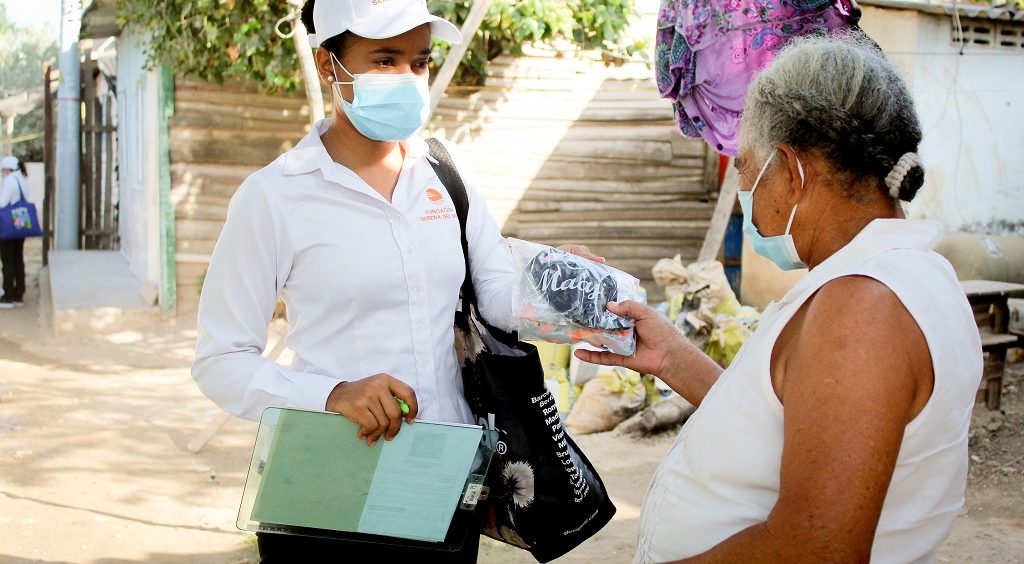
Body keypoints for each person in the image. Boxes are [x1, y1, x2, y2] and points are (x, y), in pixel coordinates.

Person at [192, 1, 598, 561]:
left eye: (419, 62)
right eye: (385, 60)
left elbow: (499, 297)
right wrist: (332, 395)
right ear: (328, 64)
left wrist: (560, 286)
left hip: (444, 482)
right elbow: (221, 361)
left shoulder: (445, 173)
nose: (407, 79)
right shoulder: (275, 195)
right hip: (330, 487)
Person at [577, 34, 983, 563]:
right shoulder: (887, 279)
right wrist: (673, 358)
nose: (746, 191)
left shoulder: (865, 308)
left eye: (746, 169)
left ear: (792, 172)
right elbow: (797, 421)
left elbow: (815, 549)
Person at [0, 155, 30, 308]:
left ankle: (8, 295)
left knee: (7, 259)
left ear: (7, 169)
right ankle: (19, 293)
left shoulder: (10, 180)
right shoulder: (22, 179)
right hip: (21, 221)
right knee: (18, 257)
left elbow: (2, 202)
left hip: (9, 224)